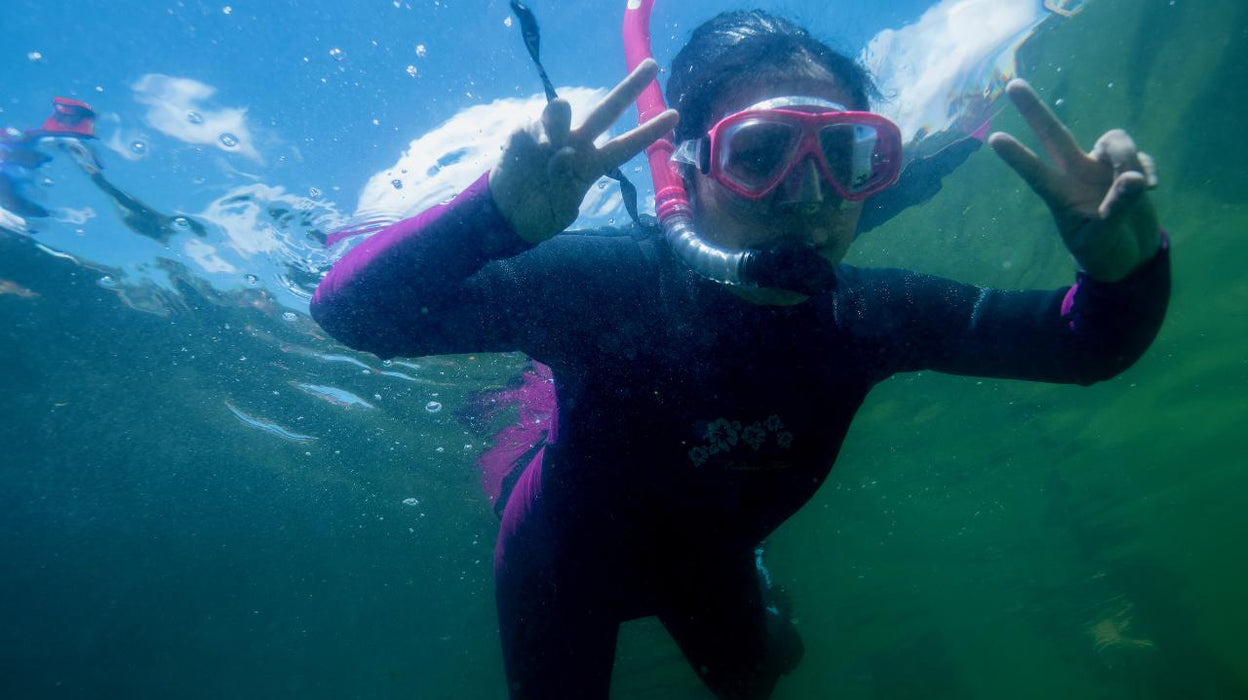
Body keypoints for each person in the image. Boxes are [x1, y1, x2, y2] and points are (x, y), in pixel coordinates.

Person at [311, 10, 1169, 699]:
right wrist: (492, 216)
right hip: (560, 574)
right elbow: (352, 313)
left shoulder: (870, 316)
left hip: (710, 567)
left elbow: (1084, 344)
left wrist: (1123, 271)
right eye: (761, 154)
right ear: (687, 172)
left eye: (848, 155)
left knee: (760, 677)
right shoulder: (603, 289)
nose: (810, 194)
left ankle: (756, 591)